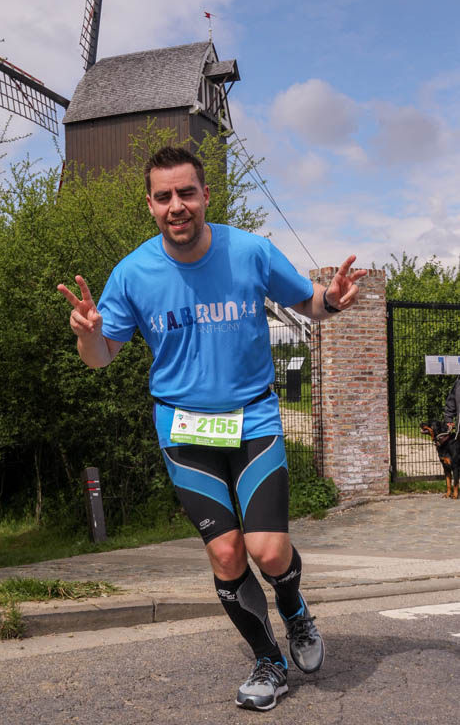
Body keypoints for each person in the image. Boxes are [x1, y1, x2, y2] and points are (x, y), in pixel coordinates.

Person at [58, 146, 366, 711]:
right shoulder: (132, 273)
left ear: (205, 195)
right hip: (183, 430)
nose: (176, 206)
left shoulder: (249, 251)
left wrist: (335, 301)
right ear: (150, 204)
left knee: (268, 551)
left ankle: (295, 610)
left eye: (186, 193)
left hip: (253, 419)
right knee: (226, 554)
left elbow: (311, 303)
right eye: (164, 197)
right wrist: (88, 333)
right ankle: (268, 661)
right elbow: (101, 357)